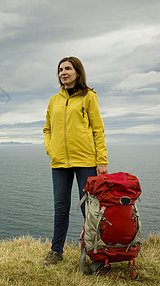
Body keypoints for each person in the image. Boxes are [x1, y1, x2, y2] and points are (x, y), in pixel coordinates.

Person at [41, 56, 108, 266]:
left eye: (68, 69)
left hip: (86, 160)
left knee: (88, 209)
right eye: (60, 70)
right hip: (59, 162)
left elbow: (98, 129)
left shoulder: (89, 96)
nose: (63, 73)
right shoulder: (54, 100)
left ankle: (94, 252)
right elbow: (47, 129)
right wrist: (50, 149)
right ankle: (56, 251)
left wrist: (101, 160)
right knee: (60, 207)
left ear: (77, 72)